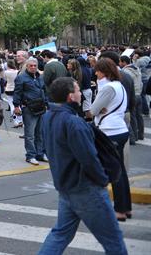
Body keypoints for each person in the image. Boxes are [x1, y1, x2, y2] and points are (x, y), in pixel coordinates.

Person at [38, 77, 128, 255]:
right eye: (78, 90)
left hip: (66, 187)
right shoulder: (74, 122)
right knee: (113, 239)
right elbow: (88, 158)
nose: (81, 93)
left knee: (60, 234)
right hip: (86, 188)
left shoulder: (48, 117)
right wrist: (102, 180)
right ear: (71, 96)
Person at [91, 57, 131, 221]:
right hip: (119, 130)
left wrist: (99, 110)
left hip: (110, 132)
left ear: (105, 72)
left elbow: (93, 110)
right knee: (120, 171)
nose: (95, 73)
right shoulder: (118, 85)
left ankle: (119, 210)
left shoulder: (107, 88)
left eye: (98, 70)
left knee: (112, 173)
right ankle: (125, 208)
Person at [13, 57, 48, 165]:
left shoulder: (40, 77)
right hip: (29, 108)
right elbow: (17, 92)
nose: (33, 67)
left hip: (41, 107)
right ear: (27, 66)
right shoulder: (21, 77)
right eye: (31, 65)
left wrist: (46, 102)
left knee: (40, 132)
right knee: (30, 134)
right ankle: (30, 155)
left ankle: (40, 154)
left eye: (35, 65)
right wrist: (16, 106)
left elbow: (44, 90)